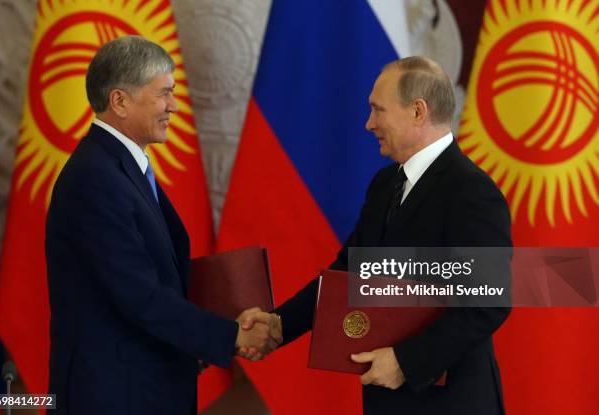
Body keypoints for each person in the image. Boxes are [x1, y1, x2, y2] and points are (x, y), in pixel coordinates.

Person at [240, 56, 512, 414]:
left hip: (450, 401)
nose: (369, 124)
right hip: (387, 398)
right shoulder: (385, 185)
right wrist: (280, 323)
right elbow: (349, 274)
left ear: (418, 111)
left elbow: (488, 301)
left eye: (378, 110)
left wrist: (405, 361)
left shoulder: (472, 191)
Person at [45, 36, 280, 415]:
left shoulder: (120, 167)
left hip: (145, 386)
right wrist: (232, 335)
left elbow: (157, 277)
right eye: (164, 94)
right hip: (113, 396)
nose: (173, 106)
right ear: (119, 101)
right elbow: (139, 296)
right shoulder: (95, 179)